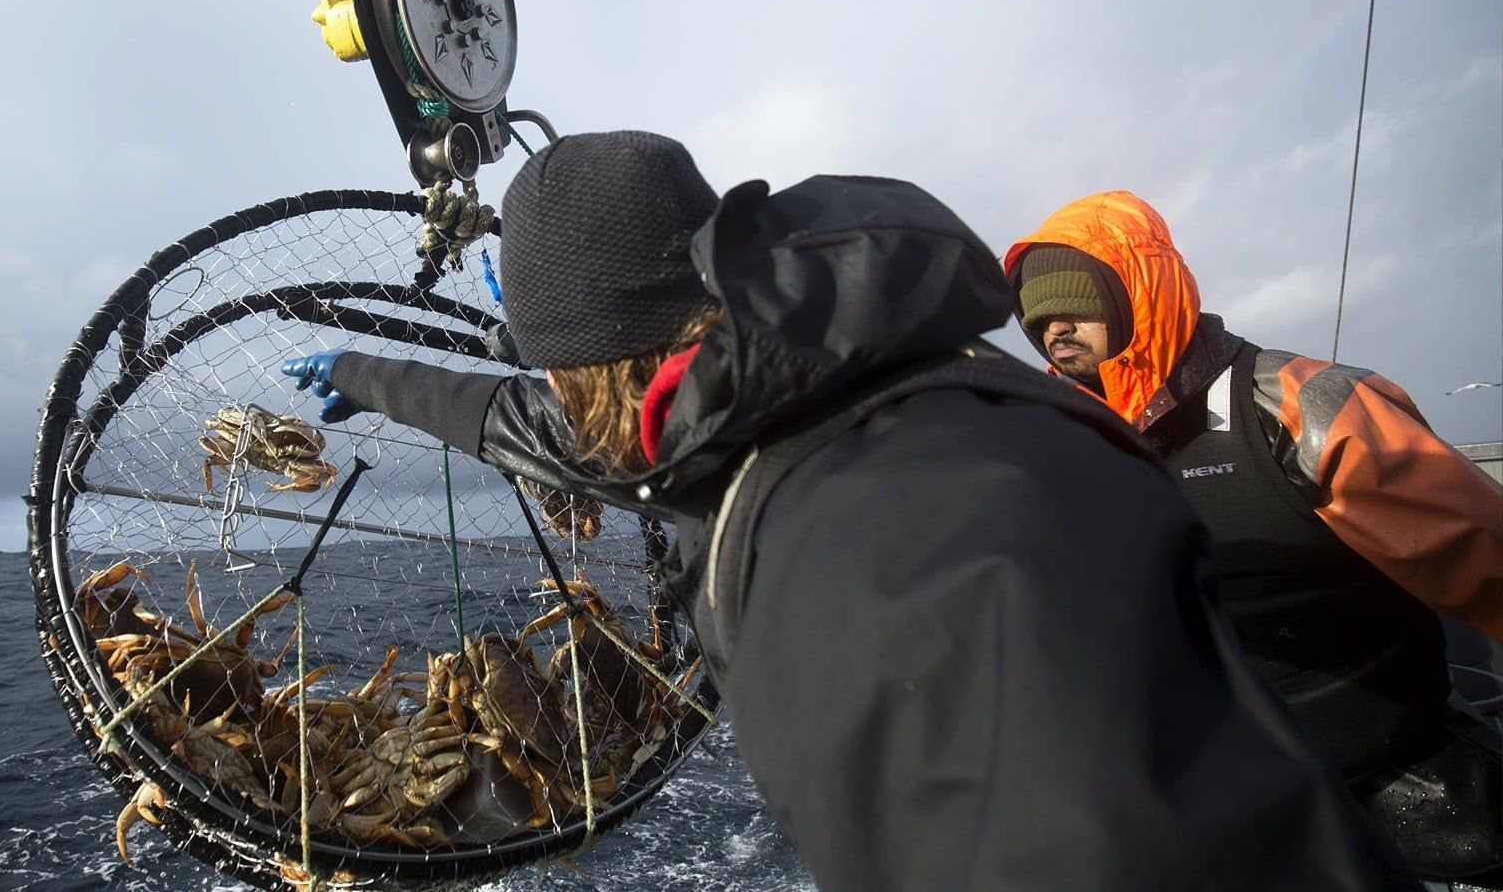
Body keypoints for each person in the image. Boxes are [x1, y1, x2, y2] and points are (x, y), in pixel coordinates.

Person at [284, 132, 1418, 889]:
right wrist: (370, 374)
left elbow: (1092, 840)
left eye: (560, 374)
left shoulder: (900, 524)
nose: (557, 411)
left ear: (609, 367)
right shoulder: (772, 397)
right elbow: (542, 431)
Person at [1006, 189, 1503, 887]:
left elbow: (1487, 561)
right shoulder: (1061, 450)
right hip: (1223, 812)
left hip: (1406, 783)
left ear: (1137, 291)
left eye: (1073, 304)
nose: (1054, 328)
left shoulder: (1304, 407)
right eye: (1038, 318)